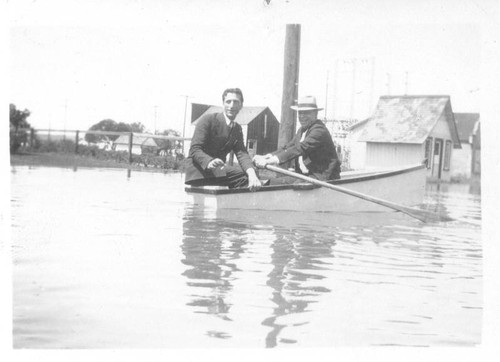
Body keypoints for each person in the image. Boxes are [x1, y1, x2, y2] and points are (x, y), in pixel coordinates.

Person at [184, 88, 262, 190]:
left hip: (218, 173)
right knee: (245, 177)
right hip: (199, 173)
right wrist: (209, 161)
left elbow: (242, 154)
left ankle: (237, 204)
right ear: (223, 104)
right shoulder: (208, 120)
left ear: (241, 105)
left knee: (251, 174)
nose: (231, 106)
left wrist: (252, 174)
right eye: (228, 102)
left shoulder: (237, 129)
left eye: (235, 102)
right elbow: (195, 149)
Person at [253, 95, 341, 183]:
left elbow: (300, 148)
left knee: (292, 186)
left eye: (306, 113)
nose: (302, 116)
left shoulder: (319, 130)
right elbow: (288, 147)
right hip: (305, 176)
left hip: (322, 178)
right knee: (271, 183)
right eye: (300, 113)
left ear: (315, 114)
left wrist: (271, 161)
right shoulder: (302, 130)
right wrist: (267, 157)